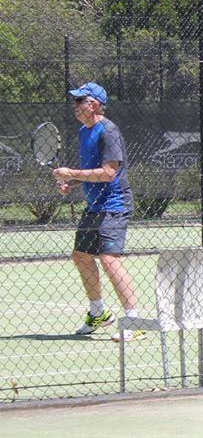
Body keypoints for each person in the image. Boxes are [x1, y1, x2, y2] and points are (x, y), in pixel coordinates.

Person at [52, 82, 139, 340]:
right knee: (80, 255)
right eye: (75, 101)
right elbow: (92, 172)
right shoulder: (83, 132)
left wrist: (72, 173)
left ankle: (133, 321)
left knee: (109, 259)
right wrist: (72, 182)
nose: (75, 106)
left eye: (80, 101)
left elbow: (109, 172)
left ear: (94, 104)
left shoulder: (108, 132)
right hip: (94, 206)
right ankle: (98, 312)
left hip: (114, 205)